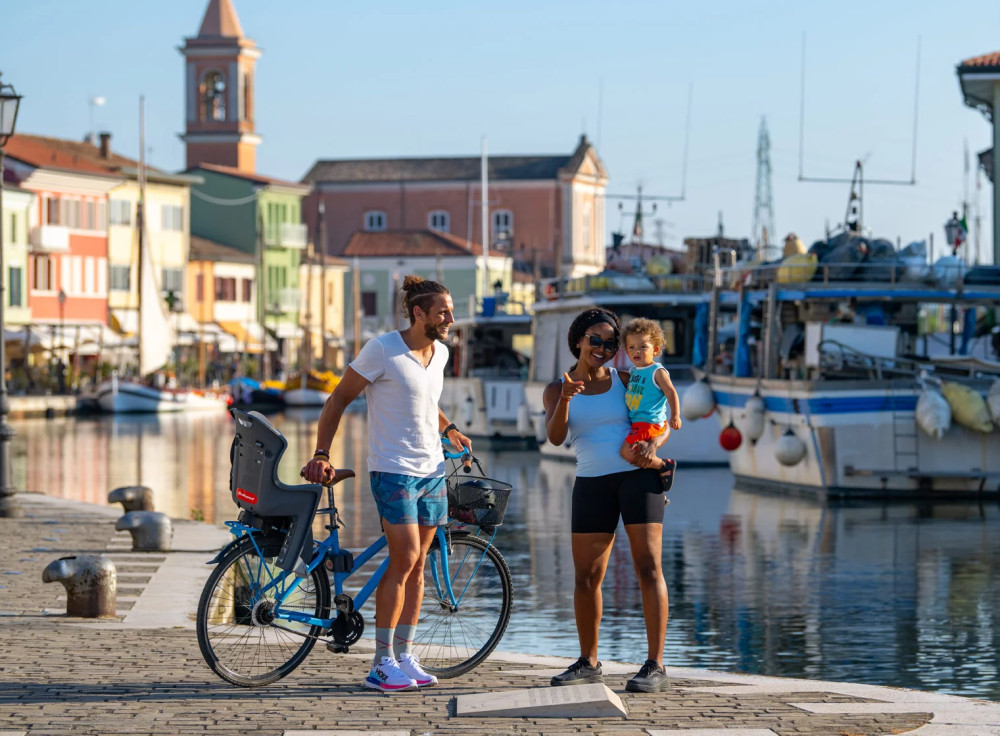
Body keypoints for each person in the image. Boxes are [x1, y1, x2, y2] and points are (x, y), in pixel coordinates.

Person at [301, 275, 472, 693]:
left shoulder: (441, 353)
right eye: (443, 313)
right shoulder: (382, 349)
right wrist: (322, 452)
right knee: (405, 557)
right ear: (419, 313)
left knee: (419, 564)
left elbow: (427, 403)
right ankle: (380, 664)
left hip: (432, 470)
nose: (450, 319)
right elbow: (338, 399)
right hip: (393, 469)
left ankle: (405, 655)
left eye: (450, 311)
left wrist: (449, 429)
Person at [541, 307, 672, 694]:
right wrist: (566, 399)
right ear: (578, 341)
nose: (602, 348)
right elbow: (555, 438)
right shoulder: (556, 388)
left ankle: (655, 665)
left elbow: (660, 419)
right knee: (586, 576)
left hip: (638, 479)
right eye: (595, 340)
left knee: (648, 567)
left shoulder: (628, 379)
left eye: (611, 343)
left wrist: (654, 444)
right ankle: (589, 662)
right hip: (591, 483)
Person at [619, 317, 681, 494]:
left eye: (642, 347)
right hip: (638, 423)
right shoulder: (633, 371)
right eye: (631, 347)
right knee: (636, 452)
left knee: (626, 452)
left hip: (650, 422)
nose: (636, 351)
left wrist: (675, 415)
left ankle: (663, 465)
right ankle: (651, 476)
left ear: (655, 349)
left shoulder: (657, 371)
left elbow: (671, 392)